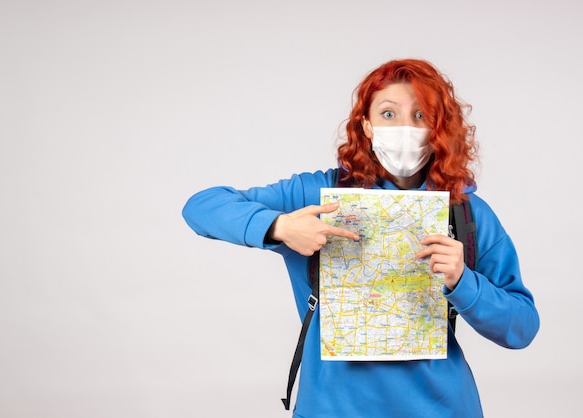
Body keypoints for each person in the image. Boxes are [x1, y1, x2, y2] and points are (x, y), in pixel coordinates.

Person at [182, 58, 539, 417]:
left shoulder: (465, 211)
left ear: (438, 127)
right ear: (366, 124)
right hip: (331, 408)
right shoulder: (319, 194)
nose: (404, 127)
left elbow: (521, 327)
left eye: (420, 115)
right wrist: (280, 227)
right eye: (388, 113)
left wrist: (464, 282)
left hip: (442, 407)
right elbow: (202, 207)